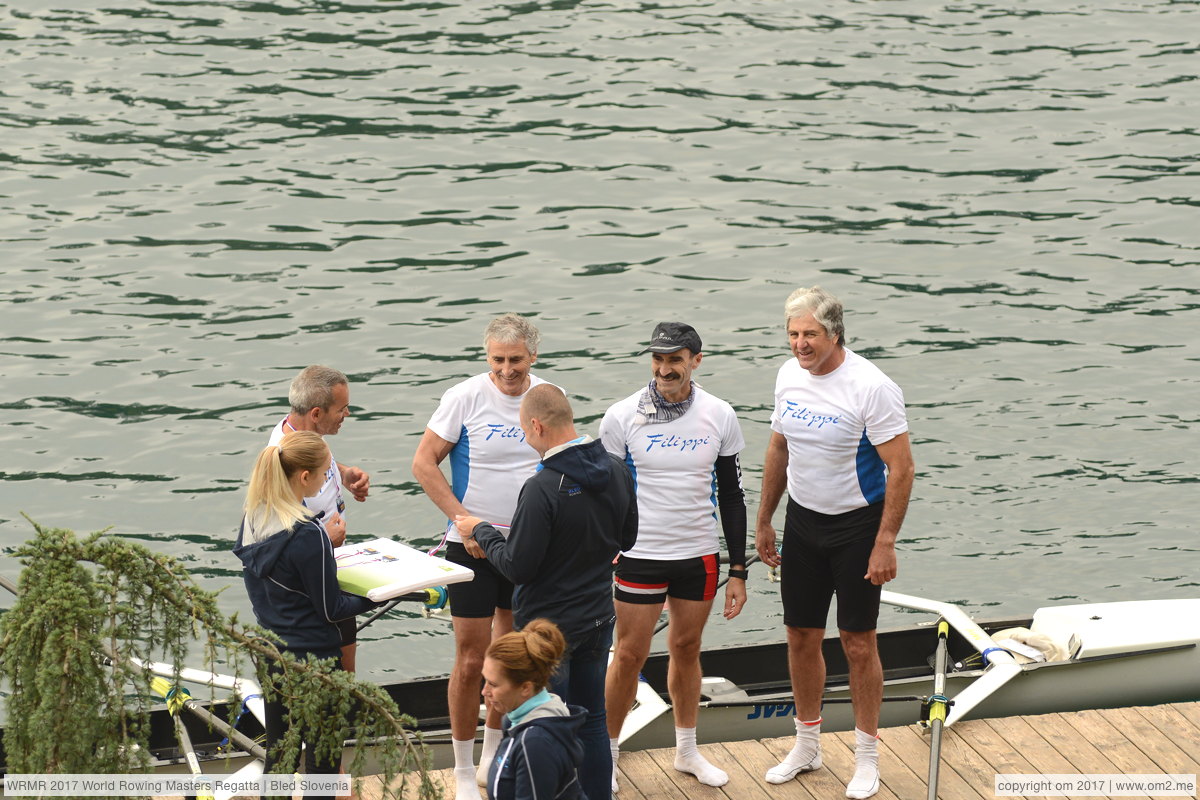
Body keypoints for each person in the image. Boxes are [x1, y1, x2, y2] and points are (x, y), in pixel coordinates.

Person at [754, 287, 915, 800]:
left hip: (857, 528)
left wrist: (885, 541)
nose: (801, 344)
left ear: (834, 333)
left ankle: (867, 756)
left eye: (811, 335)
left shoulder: (872, 386)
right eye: (794, 334)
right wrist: (764, 520)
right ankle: (807, 744)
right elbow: (779, 445)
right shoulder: (787, 376)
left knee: (857, 642)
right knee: (800, 636)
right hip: (803, 521)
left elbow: (902, 468)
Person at [456, 383, 638, 800]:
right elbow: (627, 539)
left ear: (536, 425)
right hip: (598, 615)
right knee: (593, 717)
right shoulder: (615, 468)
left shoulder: (542, 488)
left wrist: (480, 530)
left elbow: (518, 567)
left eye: (524, 430)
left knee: (546, 725)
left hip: (548, 630)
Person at [599, 322, 747, 790]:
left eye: (675, 360)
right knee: (629, 654)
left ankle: (687, 752)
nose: (664, 369)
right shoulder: (622, 417)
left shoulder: (719, 415)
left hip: (698, 555)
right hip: (639, 554)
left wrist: (738, 568)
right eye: (658, 360)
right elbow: (605, 496)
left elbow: (733, 495)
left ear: (695, 361)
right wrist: (603, 556)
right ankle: (607, 753)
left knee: (686, 649)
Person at [411, 313, 550, 800]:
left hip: (528, 545)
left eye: (515, 361)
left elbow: (560, 463)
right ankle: (464, 768)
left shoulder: (546, 396)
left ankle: (494, 756)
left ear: (533, 356)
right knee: (471, 660)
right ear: (486, 357)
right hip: (470, 546)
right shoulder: (465, 396)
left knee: (510, 656)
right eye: (497, 361)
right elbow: (423, 463)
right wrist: (465, 520)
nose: (506, 371)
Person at [233, 431, 378, 798]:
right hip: (316, 661)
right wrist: (382, 595)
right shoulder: (309, 532)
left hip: (274, 652)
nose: (329, 479)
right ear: (304, 478)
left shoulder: (254, 516)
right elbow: (333, 610)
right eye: (326, 473)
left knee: (279, 754)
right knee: (323, 763)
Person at [268, 365, 370, 673]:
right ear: (315, 413)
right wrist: (323, 539)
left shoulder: (307, 436)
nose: (347, 414)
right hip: (312, 584)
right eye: (341, 409)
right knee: (339, 670)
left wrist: (345, 474)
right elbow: (276, 541)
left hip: (331, 563)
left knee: (347, 659)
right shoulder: (282, 460)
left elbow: (318, 460)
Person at [481, 619, 585, 800]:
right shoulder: (516, 720)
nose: (484, 691)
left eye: (493, 684)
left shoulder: (535, 743)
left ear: (525, 688)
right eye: (485, 681)